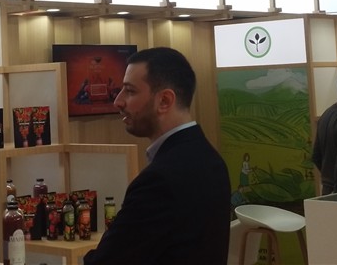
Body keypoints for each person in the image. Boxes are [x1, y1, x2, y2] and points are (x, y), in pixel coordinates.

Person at [84, 47, 230, 265]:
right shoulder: (212, 160)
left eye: (130, 91)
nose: (118, 101)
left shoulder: (160, 180)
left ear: (164, 101)